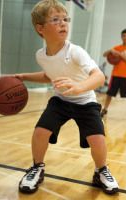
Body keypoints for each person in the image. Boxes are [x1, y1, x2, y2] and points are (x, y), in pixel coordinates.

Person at [15, 0, 119, 194]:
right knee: (40, 132)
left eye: (65, 19)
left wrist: (80, 87)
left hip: (85, 101)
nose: (63, 23)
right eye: (55, 20)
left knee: (98, 139)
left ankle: (101, 170)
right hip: (61, 101)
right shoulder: (41, 55)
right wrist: (24, 77)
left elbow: (99, 76)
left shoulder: (75, 51)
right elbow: (49, 75)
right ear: (41, 28)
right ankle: (37, 167)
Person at [101, 29, 126, 121]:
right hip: (115, 75)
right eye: (123, 36)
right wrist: (111, 50)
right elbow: (104, 55)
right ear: (121, 37)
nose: (125, 37)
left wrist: (120, 55)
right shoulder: (117, 48)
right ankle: (104, 110)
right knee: (109, 94)